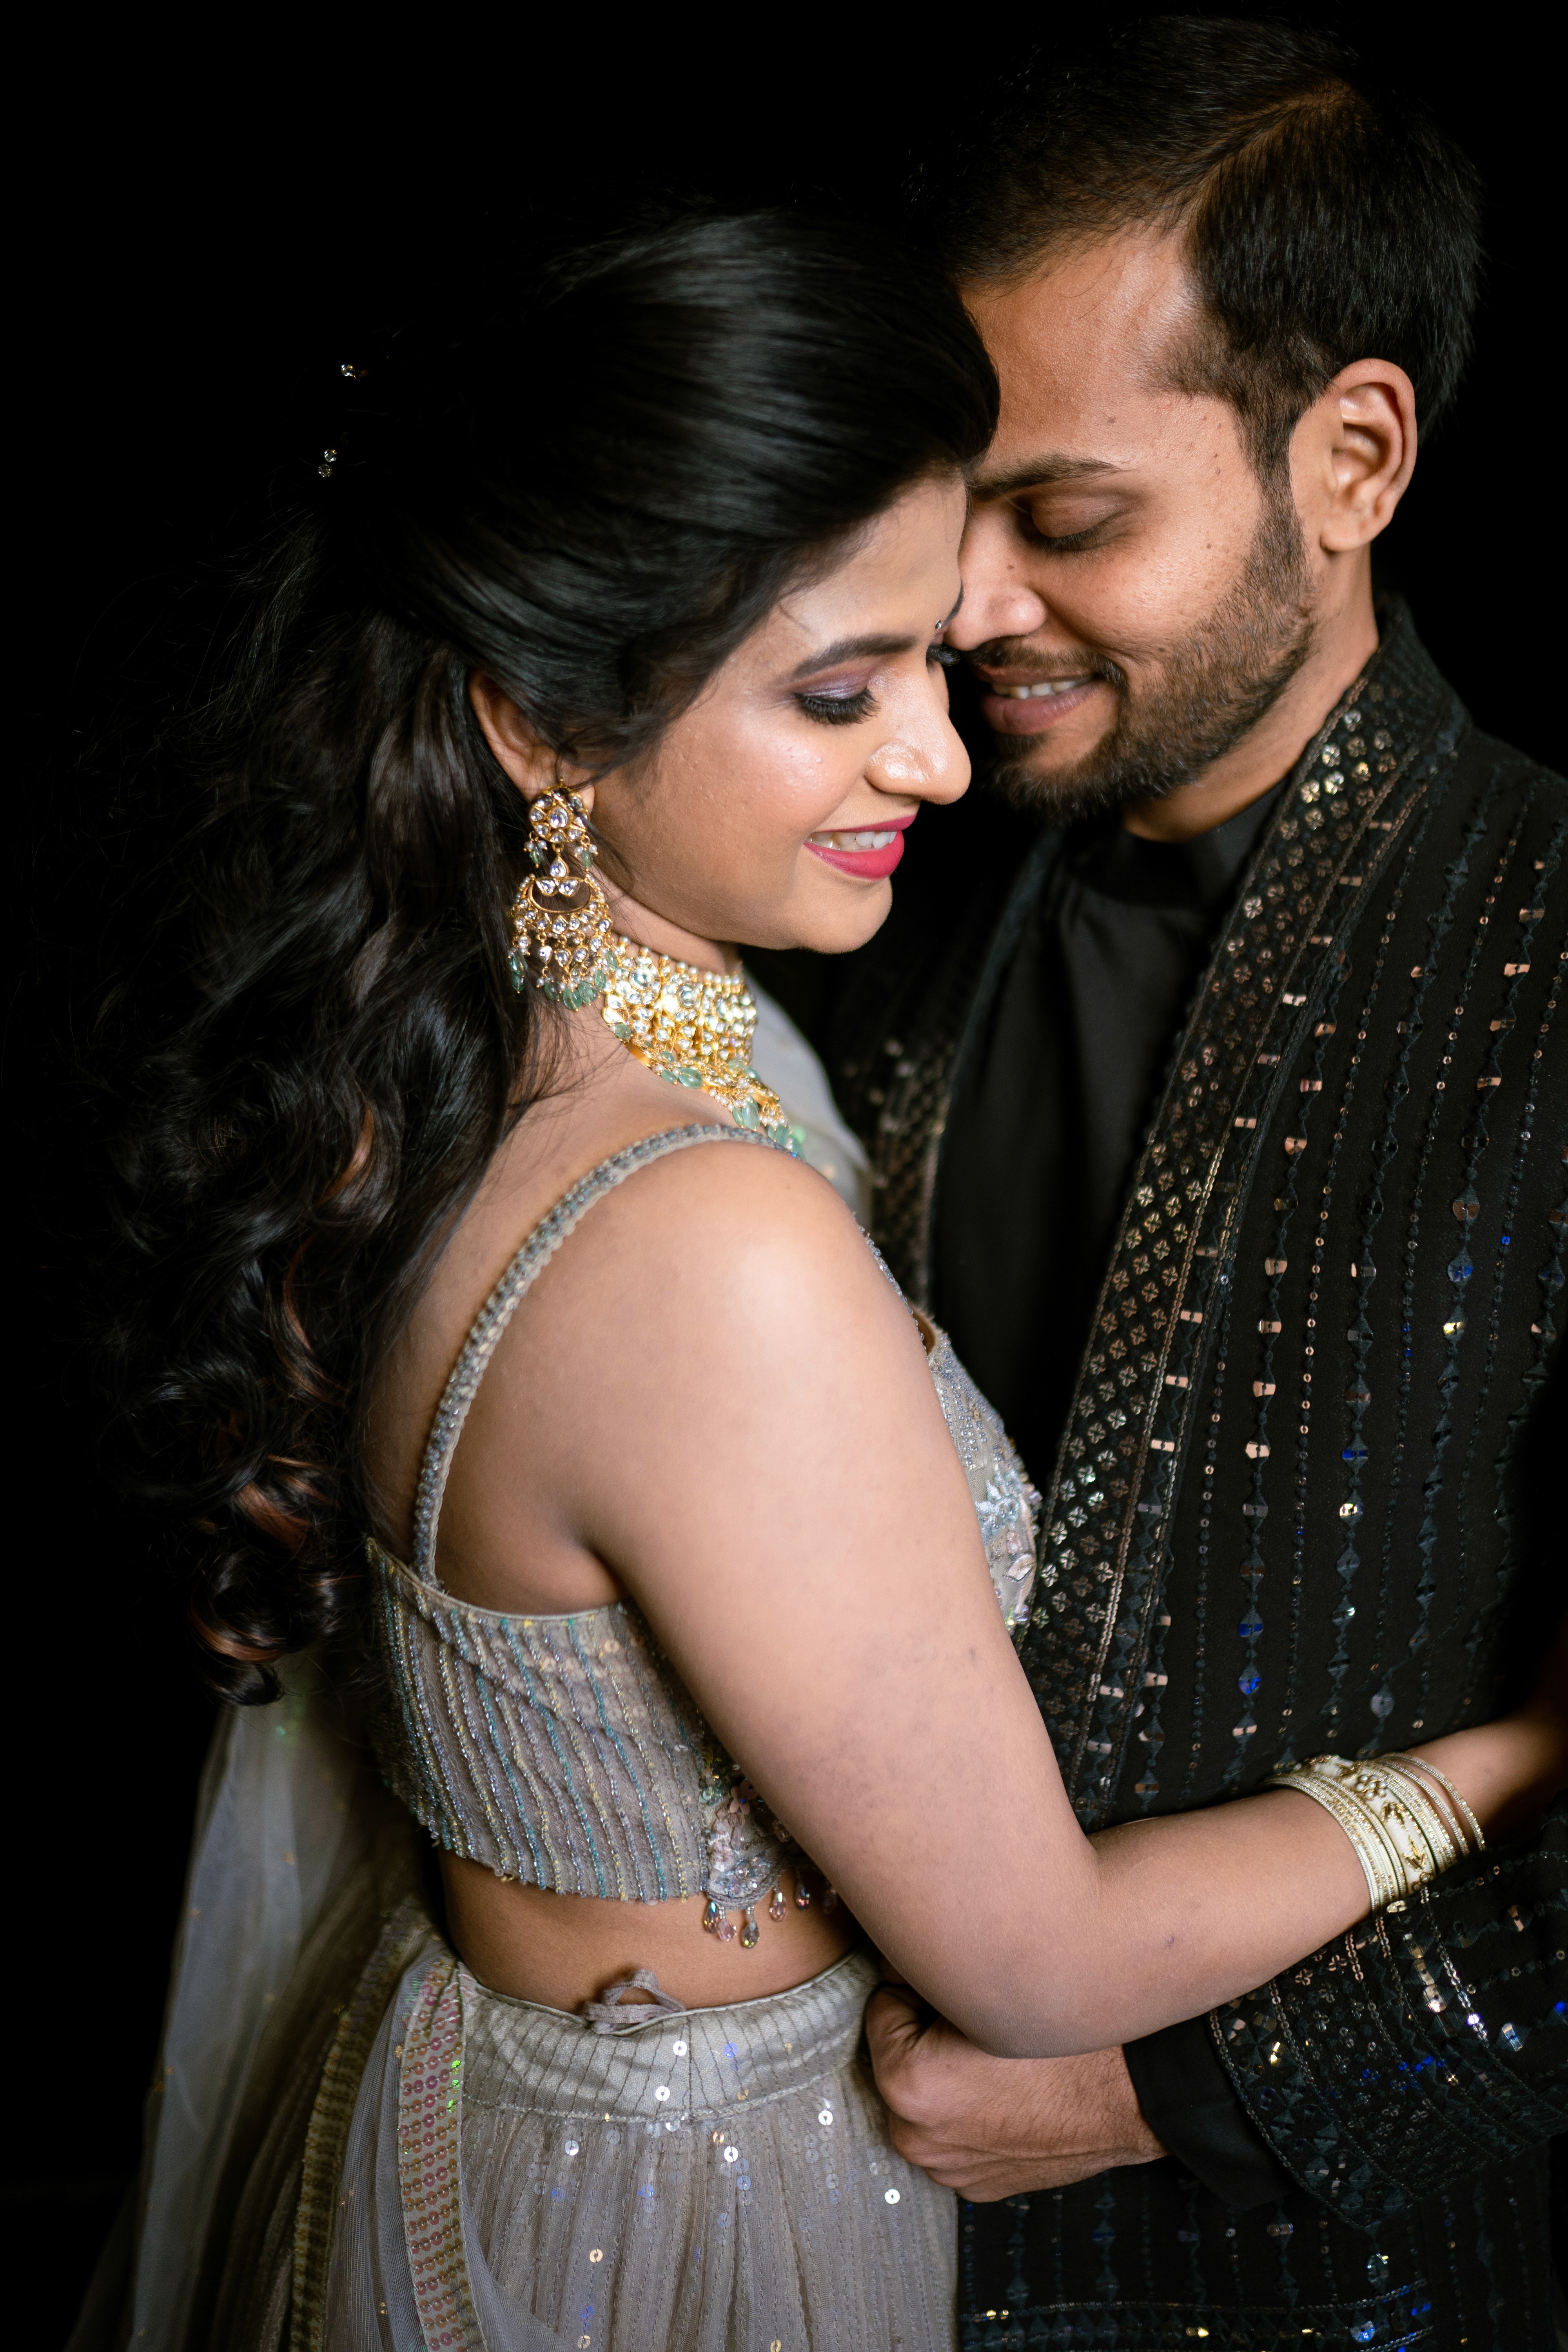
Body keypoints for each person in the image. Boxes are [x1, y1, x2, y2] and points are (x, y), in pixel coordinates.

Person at [81, 210, 1560, 2352]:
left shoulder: (466, 1046)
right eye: (843, 692)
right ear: (536, 719)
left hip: (514, 2101)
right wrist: (1507, 1766)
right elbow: (1035, 1965)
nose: (947, 761)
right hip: (684, 2209)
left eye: (931, 668)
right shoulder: (705, 1238)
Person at [768, 21, 1568, 2347]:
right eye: (944, 505)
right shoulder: (868, 889)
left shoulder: (1547, 942)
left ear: (1353, 457)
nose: (970, 606)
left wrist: (1180, 2083)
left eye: (1069, 514)